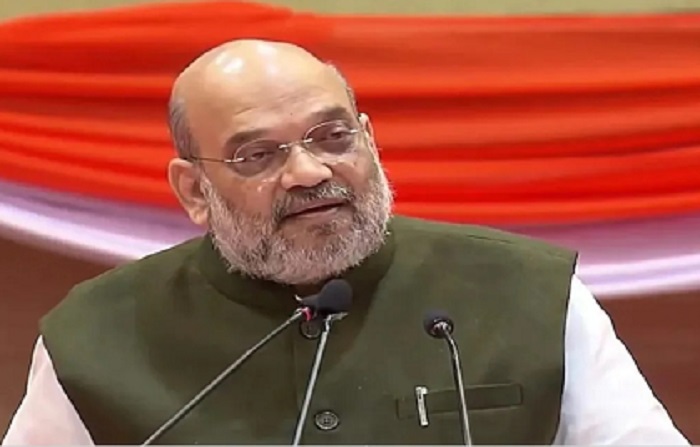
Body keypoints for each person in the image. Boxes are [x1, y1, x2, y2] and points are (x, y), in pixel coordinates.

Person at [2, 39, 689, 446]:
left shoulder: (528, 292)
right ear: (193, 190)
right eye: (258, 154)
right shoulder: (96, 334)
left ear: (370, 140)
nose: (309, 172)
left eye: (333, 138)